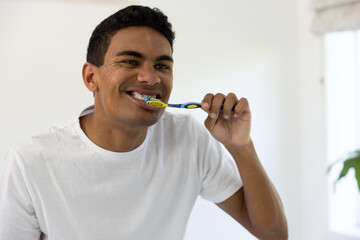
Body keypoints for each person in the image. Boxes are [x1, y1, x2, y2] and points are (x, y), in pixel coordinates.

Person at [0, 5, 288, 240]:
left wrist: (241, 147)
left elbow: (274, 234)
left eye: (162, 65)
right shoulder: (30, 162)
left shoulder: (189, 139)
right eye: (130, 61)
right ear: (91, 77)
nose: (150, 78)